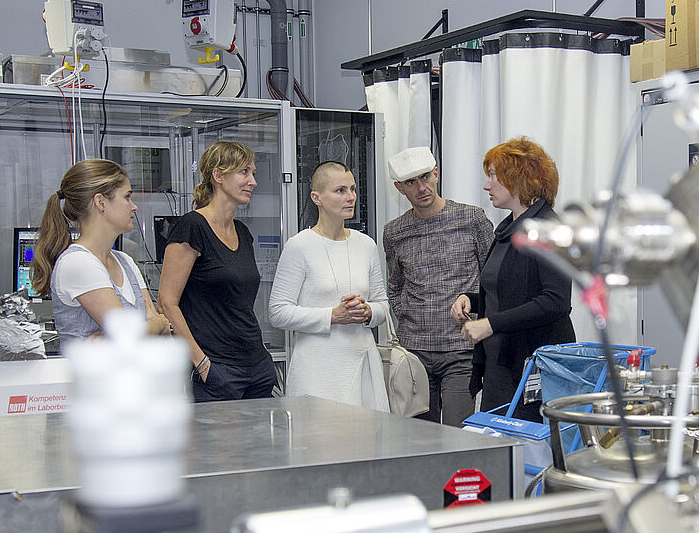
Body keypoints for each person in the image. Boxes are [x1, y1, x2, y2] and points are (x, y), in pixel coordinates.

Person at [449, 137, 575, 421]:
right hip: (501, 367)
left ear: (520, 179)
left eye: (494, 175)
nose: (487, 185)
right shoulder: (508, 231)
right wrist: (472, 299)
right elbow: (509, 293)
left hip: (533, 370)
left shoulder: (549, 229)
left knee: (529, 457)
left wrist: (490, 324)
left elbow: (555, 301)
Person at [383, 146, 494, 426]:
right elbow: (395, 285)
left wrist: (478, 318)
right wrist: (409, 318)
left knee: (458, 433)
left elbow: (493, 279)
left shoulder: (471, 219)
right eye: (411, 182)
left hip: (461, 349)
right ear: (399, 188)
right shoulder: (395, 232)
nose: (421, 188)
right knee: (420, 439)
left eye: (424, 178)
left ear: (436, 173)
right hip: (415, 352)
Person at [159, 141, 277, 402]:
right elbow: (167, 303)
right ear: (218, 176)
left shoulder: (243, 233)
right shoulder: (192, 227)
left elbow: (239, 304)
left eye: (253, 173)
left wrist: (262, 352)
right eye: (244, 172)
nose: (253, 181)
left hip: (257, 366)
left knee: (262, 443)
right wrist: (201, 363)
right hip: (217, 370)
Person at [268, 161, 390, 410]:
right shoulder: (299, 246)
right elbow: (278, 312)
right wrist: (332, 315)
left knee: (365, 443)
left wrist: (368, 312)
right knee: (320, 444)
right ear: (316, 197)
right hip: (317, 368)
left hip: (361, 361)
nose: (351, 197)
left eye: (353, 189)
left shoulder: (366, 245)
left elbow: (383, 305)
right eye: (340, 190)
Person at [32, 158, 171, 342]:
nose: (134, 206)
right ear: (101, 202)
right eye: (127, 197)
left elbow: (159, 338)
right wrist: (158, 324)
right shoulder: (78, 263)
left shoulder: (125, 260)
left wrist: (138, 333)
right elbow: (132, 334)